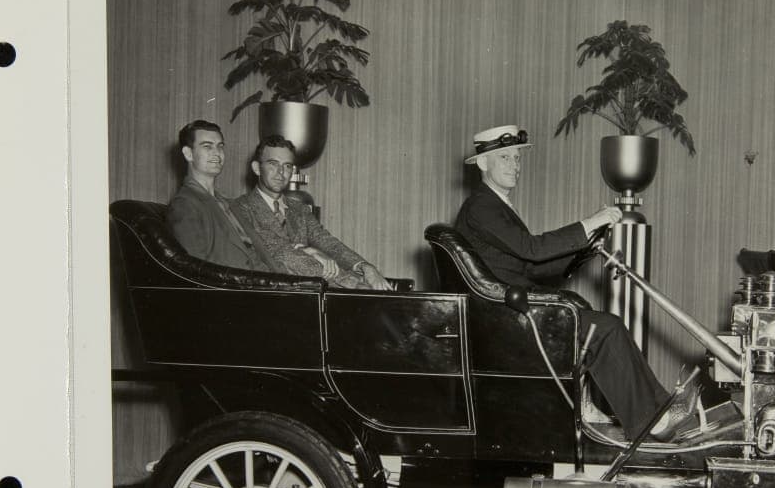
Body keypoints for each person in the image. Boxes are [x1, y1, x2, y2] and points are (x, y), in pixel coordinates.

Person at [454, 124, 701, 442]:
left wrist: (584, 246)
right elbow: (533, 250)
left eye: (517, 158)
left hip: (512, 310)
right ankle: (653, 420)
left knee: (601, 324)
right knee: (606, 328)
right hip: (509, 318)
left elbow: (531, 266)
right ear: (483, 164)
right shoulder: (481, 206)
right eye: (505, 158)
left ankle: (637, 411)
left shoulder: (493, 206)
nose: (515, 165)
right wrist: (590, 223)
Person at [232, 135, 393, 291]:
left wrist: (365, 267)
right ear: (256, 168)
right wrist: (356, 285)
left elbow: (327, 242)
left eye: (287, 166)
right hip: (269, 297)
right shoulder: (240, 208)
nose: (281, 172)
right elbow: (276, 250)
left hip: (312, 297)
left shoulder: (300, 209)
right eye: (273, 164)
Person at [167, 119, 277, 273]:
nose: (217, 153)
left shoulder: (228, 203)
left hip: (268, 284)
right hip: (237, 291)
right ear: (188, 153)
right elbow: (194, 272)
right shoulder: (185, 204)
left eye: (220, 146)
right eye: (207, 146)